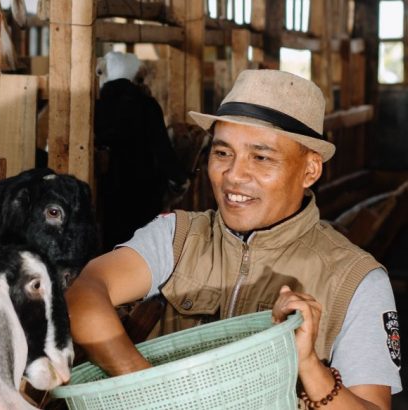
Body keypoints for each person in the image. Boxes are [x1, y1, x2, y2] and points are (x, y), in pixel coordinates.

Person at [67, 69, 402, 409]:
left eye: (261, 157)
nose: (234, 175)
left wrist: (309, 365)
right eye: (223, 153)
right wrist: (152, 387)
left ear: (310, 171)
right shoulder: (177, 238)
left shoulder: (356, 280)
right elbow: (85, 292)